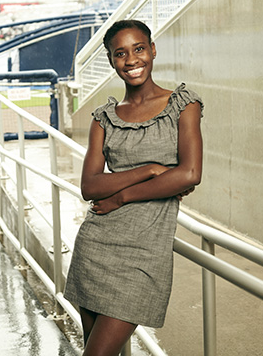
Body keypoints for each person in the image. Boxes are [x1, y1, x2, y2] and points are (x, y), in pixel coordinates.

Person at [64, 19, 203, 355]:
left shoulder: (184, 105)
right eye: (120, 54)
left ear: (152, 50)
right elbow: (90, 185)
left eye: (139, 49)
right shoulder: (104, 117)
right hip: (96, 247)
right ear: (112, 61)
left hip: (144, 254)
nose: (131, 60)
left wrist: (121, 196)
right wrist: (152, 170)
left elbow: (189, 174)